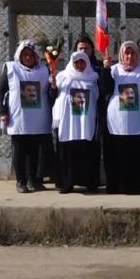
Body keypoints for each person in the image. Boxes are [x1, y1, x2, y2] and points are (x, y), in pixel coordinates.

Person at [100, 41, 140, 194]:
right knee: (118, 157)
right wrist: (106, 69)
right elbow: (106, 89)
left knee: (138, 158)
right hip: (116, 122)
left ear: (137, 55)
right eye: (126, 53)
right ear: (122, 55)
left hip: (139, 121)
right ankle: (117, 186)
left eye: (133, 53)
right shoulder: (114, 70)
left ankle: (139, 186)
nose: (129, 56)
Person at [0, 40, 55, 193]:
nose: (28, 58)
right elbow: (2, 91)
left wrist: (53, 83)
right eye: (25, 55)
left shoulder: (45, 70)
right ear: (20, 55)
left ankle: (33, 180)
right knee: (20, 151)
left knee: (34, 151)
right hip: (18, 118)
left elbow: (51, 93)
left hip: (38, 118)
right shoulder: (11, 68)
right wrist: (2, 112)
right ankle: (20, 181)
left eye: (31, 55)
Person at [52, 51, 100, 193]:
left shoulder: (93, 78)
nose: (79, 65)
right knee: (67, 152)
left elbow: (98, 96)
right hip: (68, 122)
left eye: (82, 62)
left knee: (87, 151)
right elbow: (53, 95)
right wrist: (53, 85)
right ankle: (66, 183)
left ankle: (89, 183)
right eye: (76, 62)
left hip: (86, 121)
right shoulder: (62, 77)